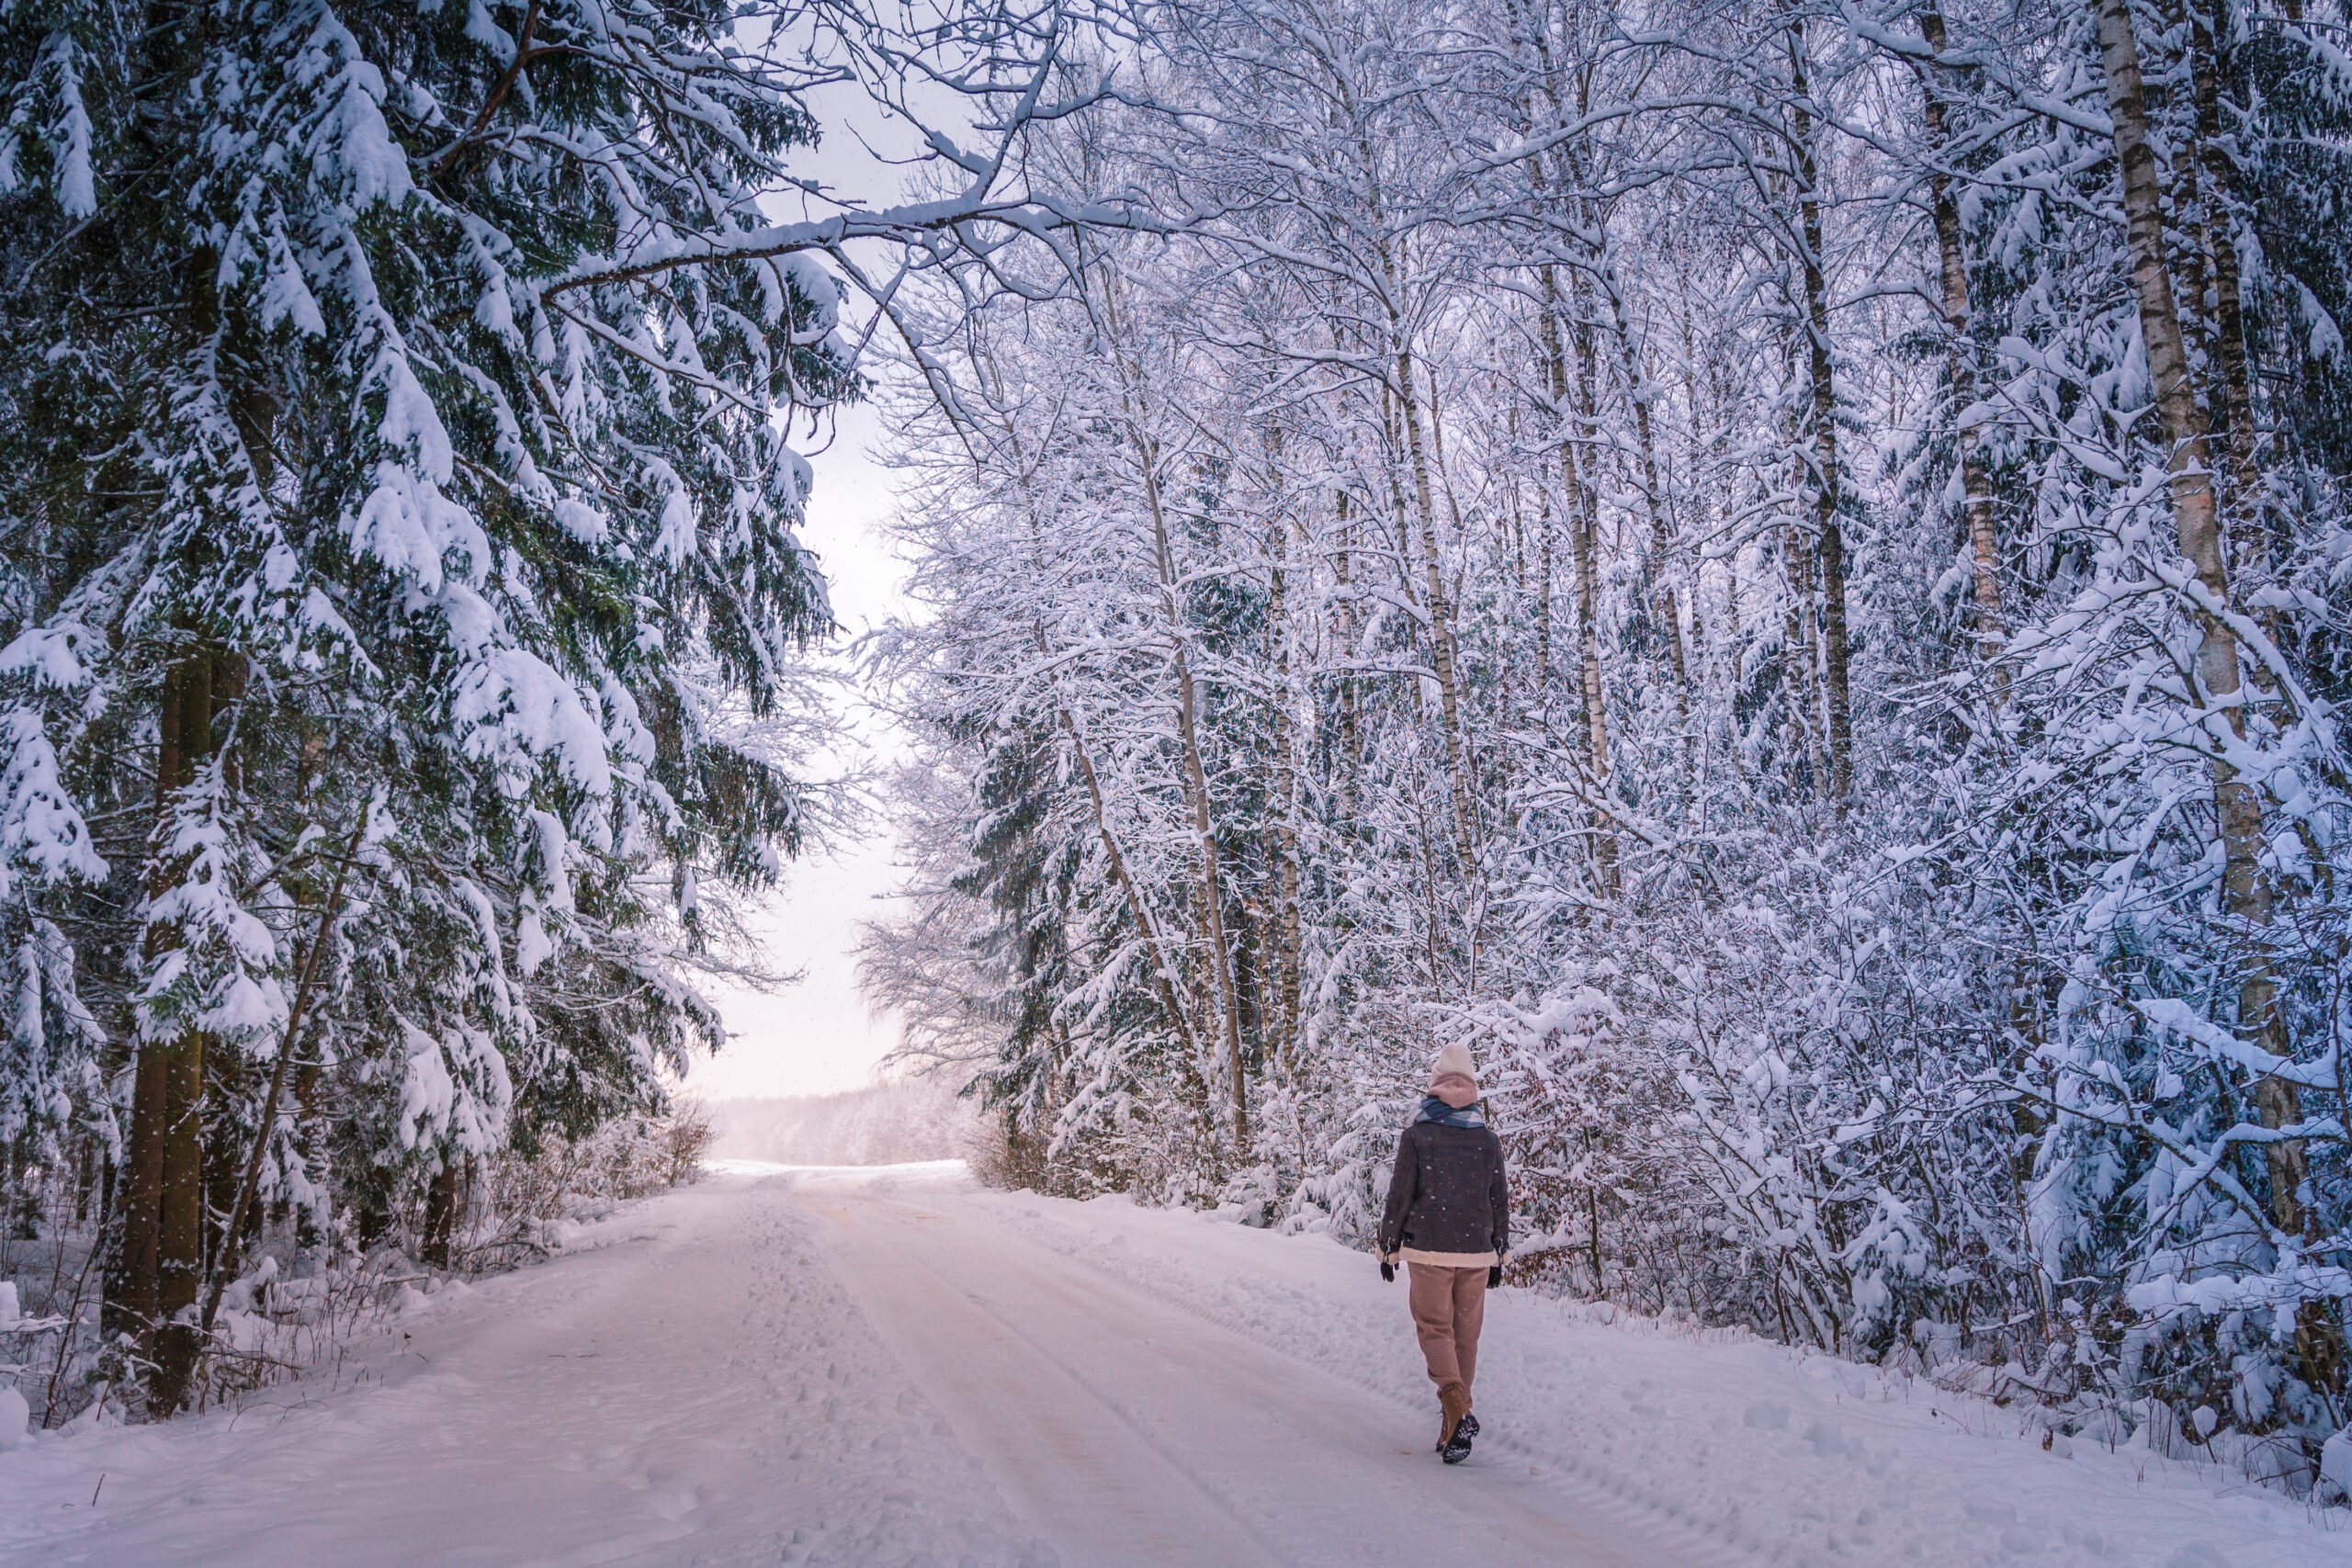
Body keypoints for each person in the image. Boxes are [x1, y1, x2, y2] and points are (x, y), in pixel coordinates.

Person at [1376, 1042, 1509, 1465]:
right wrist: (1499, 1251)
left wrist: (1388, 1246)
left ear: (1435, 1087)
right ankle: (1454, 1423)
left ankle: (1455, 1405)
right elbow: (1498, 1199)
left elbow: (1401, 1194)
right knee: (1466, 1336)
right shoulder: (1487, 1140)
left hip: (1430, 1246)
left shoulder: (1417, 1135)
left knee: (1435, 1329)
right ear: (1471, 1088)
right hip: (1475, 1247)